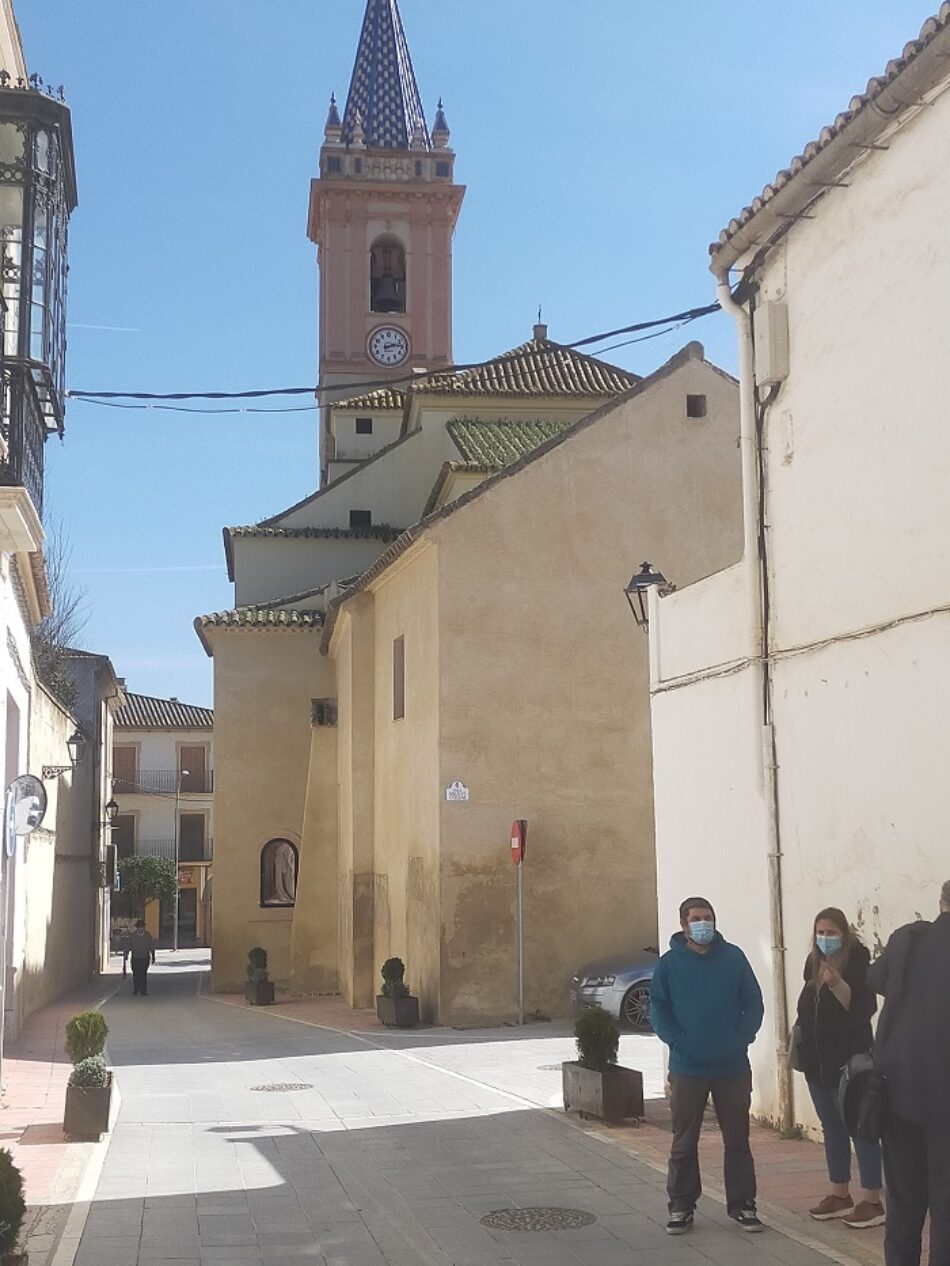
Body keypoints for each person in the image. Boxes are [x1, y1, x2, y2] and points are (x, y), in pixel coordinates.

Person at [650, 897, 765, 1235]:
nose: (704, 924)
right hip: (688, 1068)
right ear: (684, 925)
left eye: (708, 917)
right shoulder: (670, 964)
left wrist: (741, 1038)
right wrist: (679, 1043)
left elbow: (753, 1001)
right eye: (696, 918)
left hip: (732, 1066)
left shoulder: (734, 958)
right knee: (684, 1139)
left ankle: (744, 1204)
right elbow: (659, 1008)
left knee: (738, 1140)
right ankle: (681, 1206)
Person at [868, 880, 950, 1266]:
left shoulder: (908, 940)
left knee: (903, 1206)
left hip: (899, 1095)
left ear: (941, 903)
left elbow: (874, 980)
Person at [795, 908, 883, 1228]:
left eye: (831, 933)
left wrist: (838, 985)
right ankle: (839, 1193)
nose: (825, 939)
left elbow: (863, 1011)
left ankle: (872, 1199)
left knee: (861, 1130)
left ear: (844, 934)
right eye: (820, 932)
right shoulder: (812, 962)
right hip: (817, 1064)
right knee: (832, 1129)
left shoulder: (859, 963)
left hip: (849, 1064)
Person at [123, 919, 156, 996]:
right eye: (139, 927)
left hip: (144, 957)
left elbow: (151, 946)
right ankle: (136, 988)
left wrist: (153, 956)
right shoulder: (133, 936)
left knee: (143, 974)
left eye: (142, 927)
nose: (140, 929)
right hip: (135, 958)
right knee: (136, 974)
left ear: (144, 928)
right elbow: (128, 946)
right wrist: (126, 955)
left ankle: (143, 990)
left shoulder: (147, 935)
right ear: (137, 928)